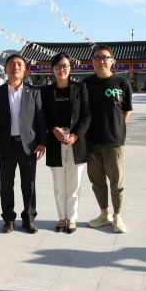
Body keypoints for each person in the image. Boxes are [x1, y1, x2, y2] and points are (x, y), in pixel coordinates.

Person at [0, 54, 46, 233]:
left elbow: (41, 120)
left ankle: (29, 218)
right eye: (11, 64)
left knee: (28, 183)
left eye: (20, 64)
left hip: (28, 145)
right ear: (5, 69)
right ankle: (8, 219)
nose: (16, 67)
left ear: (25, 70)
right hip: (6, 145)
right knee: (6, 184)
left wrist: (43, 142)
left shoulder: (34, 91)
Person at [41, 53, 94, 233]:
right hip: (56, 142)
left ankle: (71, 218)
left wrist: (76, 135)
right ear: (52, 69)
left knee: (74, 182)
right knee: (58, 183)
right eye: (57, 66)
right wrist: (54, 129)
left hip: (75, 143)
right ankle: (61, 217)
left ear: (70, 68)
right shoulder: (46, 91)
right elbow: (43, 117)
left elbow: (87, 115)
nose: (61, 69)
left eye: (65, 66)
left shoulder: (80, 88)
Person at [84, 45, 132, 233]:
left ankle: (118, 215)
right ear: (92, 63)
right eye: (97, 58)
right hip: (91, 141)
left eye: (105, 57)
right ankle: (105, 214)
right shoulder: (86, 84)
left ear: (112, 60)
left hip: (114, 140)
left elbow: (126, 110)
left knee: (116, 180)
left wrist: (117, 127)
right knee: (97, 180)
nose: (101, 61)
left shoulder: (122, 82)